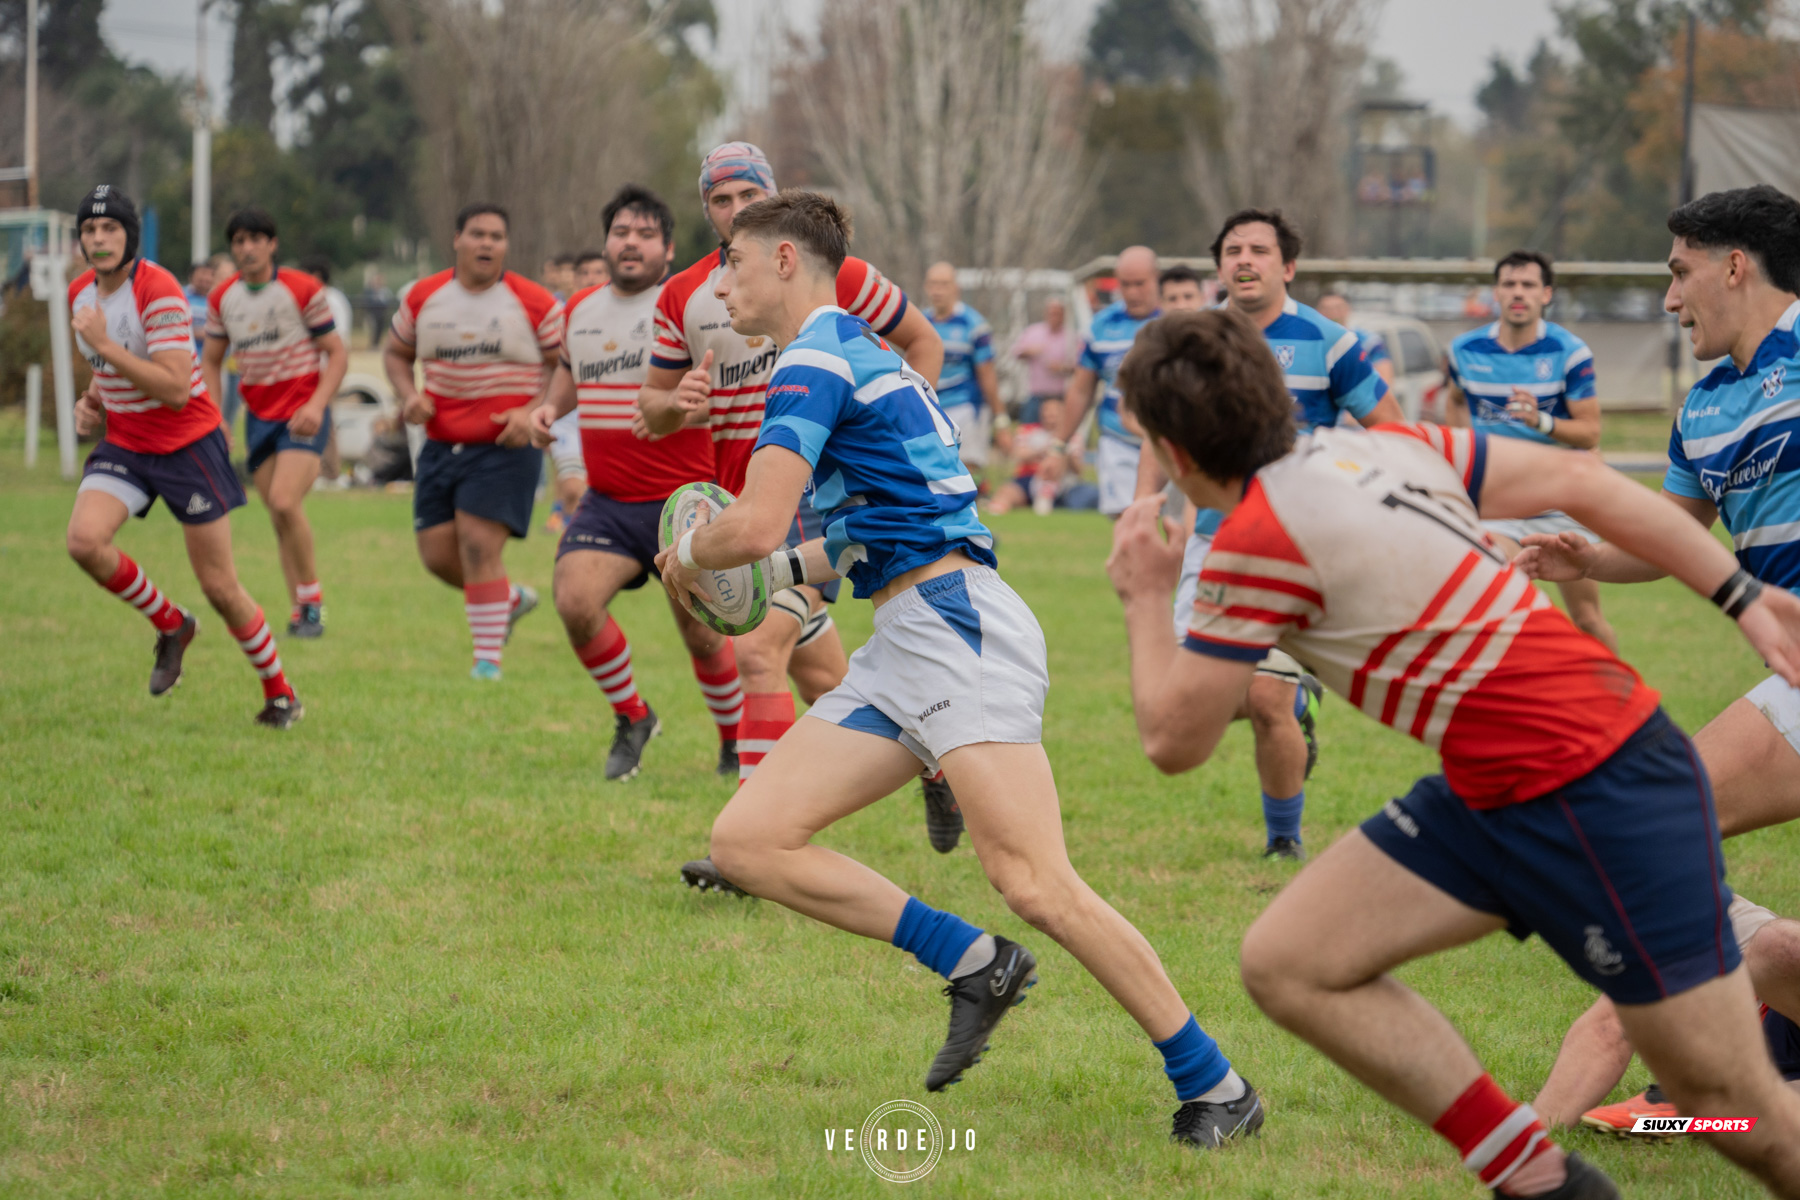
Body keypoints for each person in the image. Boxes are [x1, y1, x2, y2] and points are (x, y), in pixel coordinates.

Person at [1108, 307, 1800, 1199]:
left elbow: (1172, 741)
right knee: (1292, 958)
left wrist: (1145, 595)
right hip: (1504, 785)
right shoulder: (1389, 447)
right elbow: (1579, 481)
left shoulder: (1252, 547)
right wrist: (1740, 592)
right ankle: (1537, 1177)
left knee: (1729, 1106)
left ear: (1174, 452)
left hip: (1601, 787)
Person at [657, 190, 1266, 1147]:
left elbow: (757, 523)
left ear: (783, 261)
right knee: (749, 841)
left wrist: (690, 554)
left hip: (955, 628)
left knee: (1036, 882)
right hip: (907, 636)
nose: (718, 284)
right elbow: (857, 535)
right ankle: (976, 963)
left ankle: (1219, 1085)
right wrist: (759, 578)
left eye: (730, 260)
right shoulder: (855, 352)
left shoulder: (815, 358)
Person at [1518, 185, 1800, 1142]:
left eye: (1680, 274)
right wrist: (1592, 559)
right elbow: (1678, 532)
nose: (1670, 299)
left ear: (1736, 265)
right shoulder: (1707, 407)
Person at [637, 142, 960, 880]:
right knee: (825, 678)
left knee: (756, 654)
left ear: (775, 199)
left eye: (748, 194)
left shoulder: (833, 276)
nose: (734, 210)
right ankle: (933, 761)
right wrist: (675, 403)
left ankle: (746, 849)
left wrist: (906, 447)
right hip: (746, 497)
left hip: (815, 502)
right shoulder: (690, 294)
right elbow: (648, 410)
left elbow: (922, 341)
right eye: (719, 200)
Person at [1134, 209, 1403, 860]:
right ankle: (1297, 705)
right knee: (1180, 705)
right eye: (1233, 250)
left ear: (1288, 267)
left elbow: (1394, 432)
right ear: (1219, 267)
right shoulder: (1192, 340)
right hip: (1214, 540)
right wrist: (1143, 504)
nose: (1245, 260)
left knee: (1265, 695)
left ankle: (1283, 841)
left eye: (1259, 250)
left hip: (1298, 547)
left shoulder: (1330, 343)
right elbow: (1159, 433)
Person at [64, 185, 302, 728]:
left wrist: (105, 347)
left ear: (130, 236)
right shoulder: (80, 292)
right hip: (127, 444)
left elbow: (174, 388)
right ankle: (172, 623)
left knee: (220, 586)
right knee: (84, 541)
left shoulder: (160, 289)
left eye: (110, 228)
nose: (98, 239)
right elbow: (107, 365)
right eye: (89, 229)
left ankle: (280, 693)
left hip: (186, 445)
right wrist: (92, 400)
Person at [528, 184, 740, 781]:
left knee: (702, 635)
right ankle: (634, 716)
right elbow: (569, 373)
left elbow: (726, 387)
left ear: (668, 250)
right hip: (609, 501)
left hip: (685, 499)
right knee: (575, 601)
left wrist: (684, 406)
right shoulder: (579, 309)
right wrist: (549, 409)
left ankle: (734, 739)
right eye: (621, 232)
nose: (631, 243)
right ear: (606, 243)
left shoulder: (693, 304)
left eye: (646, 235)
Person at [384, 203, 561, 679]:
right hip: (441, 445)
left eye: (496, 236)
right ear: (457, 239)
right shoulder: (423, 297)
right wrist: (409, 395)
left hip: (506, 447)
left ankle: (487, 663)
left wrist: (532, 412)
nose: (487, 243)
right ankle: (506, 599)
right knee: (437, 557)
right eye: (477, 234)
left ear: (506, 245)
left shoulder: (533, 301)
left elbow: (565, 366)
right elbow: (396, 353)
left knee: (479, 545)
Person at [1444, 250, 1618, 655]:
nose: (1518, 293)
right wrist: (1460, 452)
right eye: (1509, 284)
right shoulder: (1464, 350)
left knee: (1587, 619)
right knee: (1493, 602)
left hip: (1560, 501)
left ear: (1546, 294)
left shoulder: (1569, 352)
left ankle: (1621, 695)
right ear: (1496, 292)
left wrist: (1541, 422)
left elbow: (1590, 432)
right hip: (1499, 503)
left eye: (1528, 285)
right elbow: (1455, 399)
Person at [201, 210, 349, 640]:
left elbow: (337, 353)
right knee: (280, 517)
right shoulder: (222, 298)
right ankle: (301, 611)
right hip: (259, 417)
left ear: (272, 244)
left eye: (256, 239)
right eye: (239, 241)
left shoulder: (301, 288)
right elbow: (210, 361)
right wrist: (216, 417)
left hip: (302, 414)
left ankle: (313, 604)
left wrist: (318, 405)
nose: (247, 248)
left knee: (284, 502)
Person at [1043, 246, 1161, 518]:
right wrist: (1058, 446)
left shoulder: (1177, 318)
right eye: (1125, 284)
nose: (1132, 292)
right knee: (1127, 526)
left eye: (1140, 284)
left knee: (1177, 529)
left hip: (1170, 444)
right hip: (1119, 442)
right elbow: (1081, 390)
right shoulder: (1100, 326)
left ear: (1157, 278)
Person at [923, 261, 1008, 474]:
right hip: (932, 408)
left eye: (944, 284)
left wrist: (1000, 418)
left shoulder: (974, 324)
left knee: (967, 470)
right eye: (933, 284)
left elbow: (987, 373)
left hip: (965, 406)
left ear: (955, 288)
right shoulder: (921, 322)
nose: (937, 290)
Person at [298, 255, 353, 487]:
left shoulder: (332, 300)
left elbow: (337, 340)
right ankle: (315, 469)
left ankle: (329, 471)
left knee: (324, 417)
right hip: (310, 370)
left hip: (327, 369)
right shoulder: (310, 298)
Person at [1315, 291, 1395, 386]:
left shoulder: (1369, 342)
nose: (1333, 313)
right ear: (1317, 312)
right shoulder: (1312, 343)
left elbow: (1384, 379)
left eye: (1338, 308)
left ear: (1348, 309)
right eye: (1326, 309)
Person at [185, 260, 215, 355]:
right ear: (191, 277)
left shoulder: (218, 298)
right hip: (188, 355)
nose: (206, 278)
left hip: (212, 356)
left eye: (209, 274)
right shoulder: (181, 296)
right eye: (202, 273)